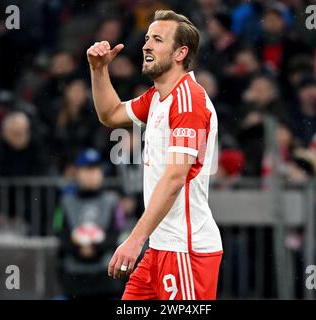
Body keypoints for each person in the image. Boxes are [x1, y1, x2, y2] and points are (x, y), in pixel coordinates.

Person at [87, 9, 223, 300]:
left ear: (180, 52)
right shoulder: (158, 97)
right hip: (160, 247)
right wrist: (98, 70)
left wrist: (134, 240)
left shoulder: (189, 100)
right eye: (147, 38)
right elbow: (110, 114)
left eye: (158, 40)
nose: (146, 45)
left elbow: (175, 178)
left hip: (186, 250)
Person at [55, 149, 125, 299]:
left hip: (106, 277)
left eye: (95, 170)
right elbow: (60, 232)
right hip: (74, 277)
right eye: (87, 170)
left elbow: (118, 231)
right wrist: (78, 249)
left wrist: (96, 248)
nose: (91, 175)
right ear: (78, 173)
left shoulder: (112, 201)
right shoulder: (65, 202)